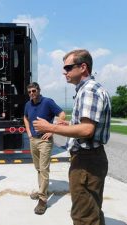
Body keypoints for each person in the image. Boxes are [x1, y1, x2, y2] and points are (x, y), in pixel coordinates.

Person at [33, 49, 111, 224]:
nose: (64, 72)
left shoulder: (89, 90)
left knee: (83, 216)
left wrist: (50, 127)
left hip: (86, 161)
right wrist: (68, 125)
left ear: (83, 67)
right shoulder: (88, 89)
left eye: (68, 67)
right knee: (92, 208)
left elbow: (86, 130)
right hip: (90, 159)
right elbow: (88, 126)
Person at [23, 82, 66, 215]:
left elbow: (62, 114)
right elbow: (25, 117)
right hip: (33, 140)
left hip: (45, 141)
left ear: (39, 90)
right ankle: (42, 190)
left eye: (34, 91)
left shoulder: (47, 102)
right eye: (29, 92)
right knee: (38, 169)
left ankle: (42, 199)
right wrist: (29, 132)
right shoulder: (28, 104)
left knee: (44, 169)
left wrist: (53, 130)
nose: (32, 94)